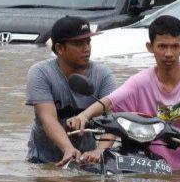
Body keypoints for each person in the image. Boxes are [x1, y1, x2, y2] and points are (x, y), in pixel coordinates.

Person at [68, 15, 180, 171]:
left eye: (175, 46)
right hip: (156, 166)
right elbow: (111, 102)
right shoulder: (140, 81)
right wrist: (84, 116)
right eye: (162, 46)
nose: (169, 53)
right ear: (150, 47)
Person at [26, 16, 117, 166]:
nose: (86, 49)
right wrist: (67, 148)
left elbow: (113, 119)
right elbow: (47, 118)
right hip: (43, 160)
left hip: (88, 160)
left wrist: (100, 151)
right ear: (60, 49)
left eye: (88, 42)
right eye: (79, 44)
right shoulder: (40, 73)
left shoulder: (103, 74)